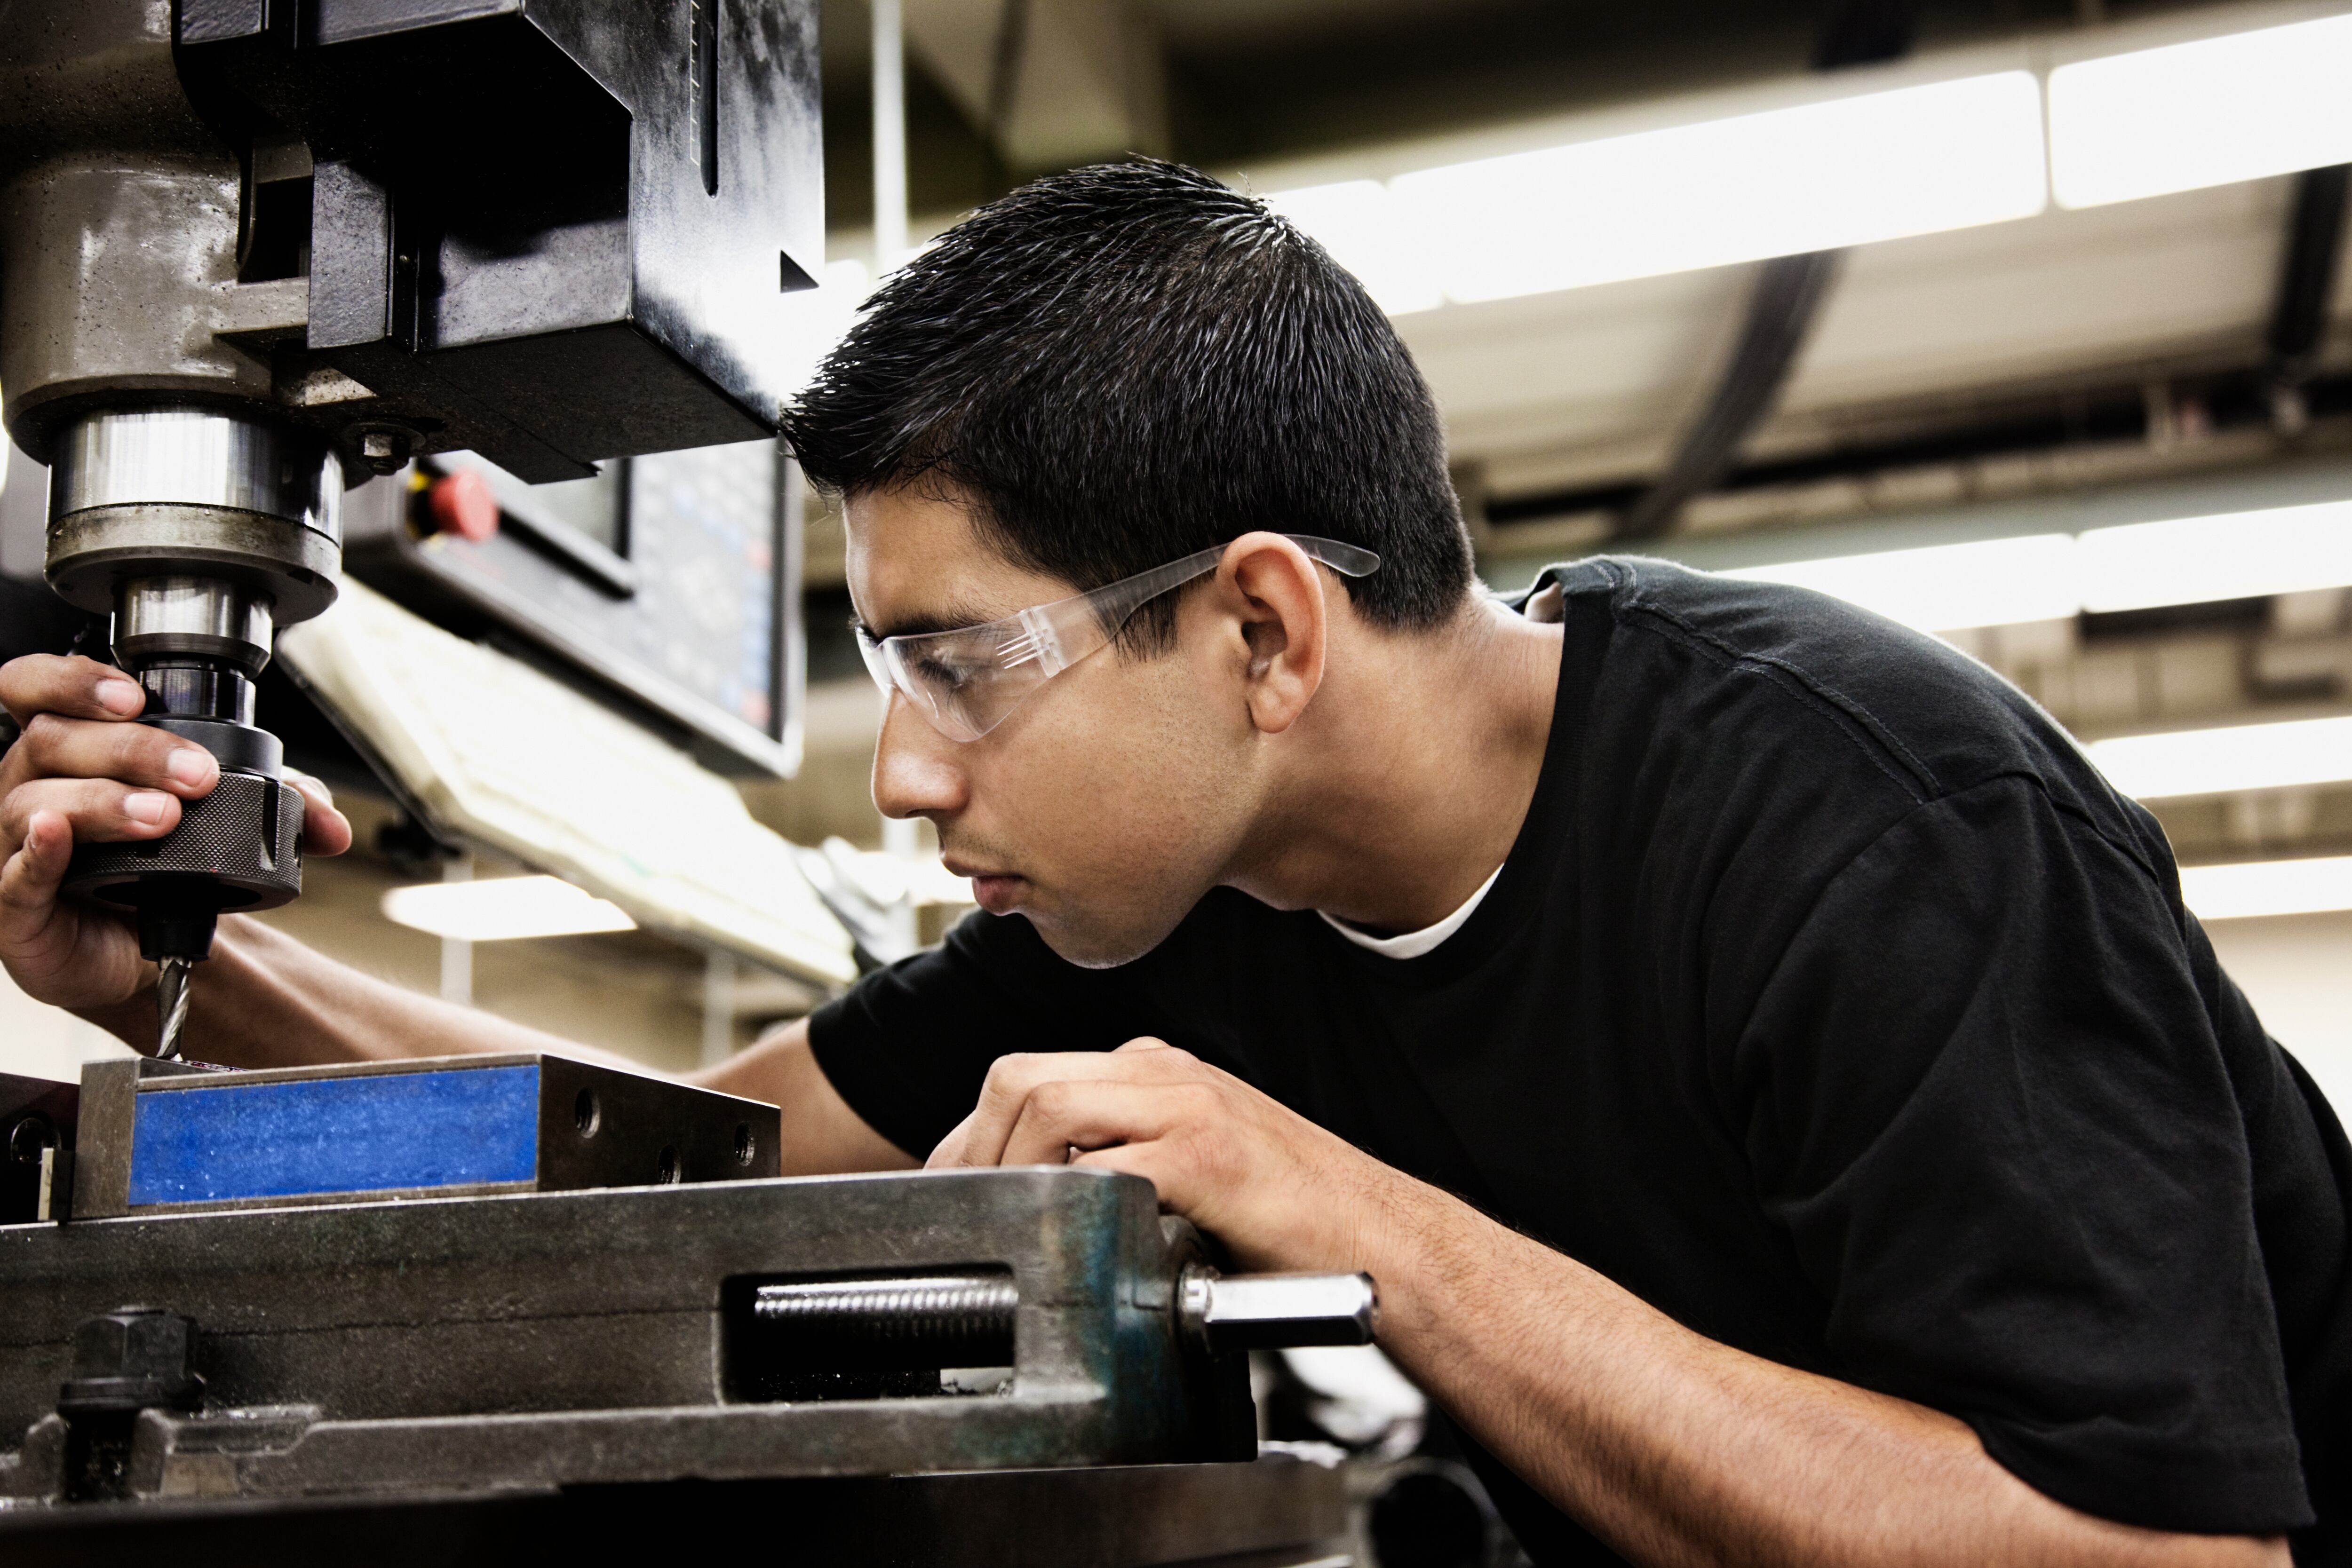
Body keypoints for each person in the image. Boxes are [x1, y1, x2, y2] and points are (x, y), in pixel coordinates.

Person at [1, 160, 2343, 1567]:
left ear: (1256, 628)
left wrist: (1349, 1212)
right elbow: (671, 1176)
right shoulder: (1144, 901)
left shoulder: (1874, 829)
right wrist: (181, 992)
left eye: (953, 667)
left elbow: (2153, 1545)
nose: (903, 780)